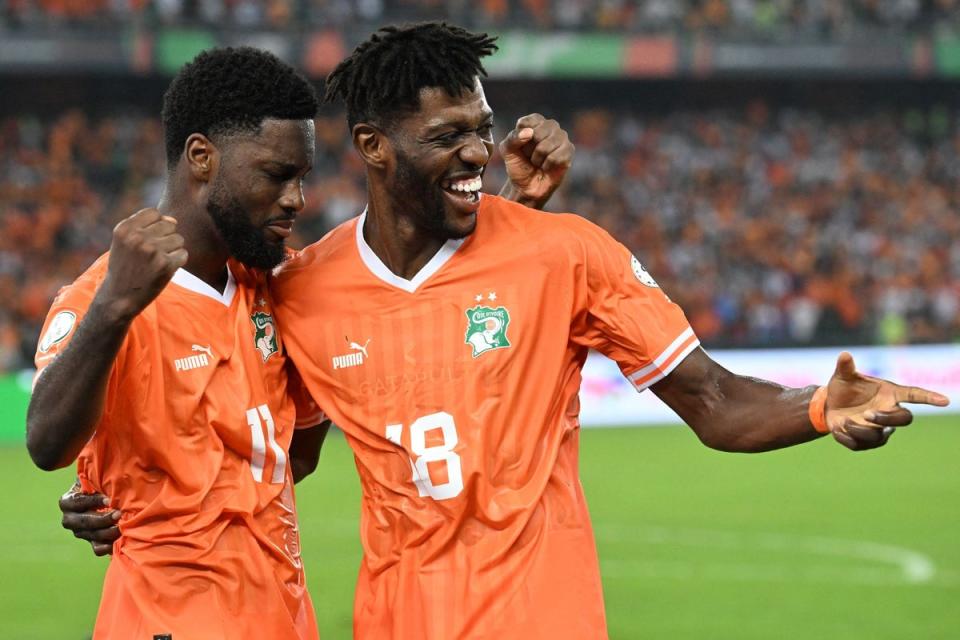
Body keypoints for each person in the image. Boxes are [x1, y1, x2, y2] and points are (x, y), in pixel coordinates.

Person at [60, 23, 948, 640]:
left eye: (481, 130)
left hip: (543, 621)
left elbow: (714, 402)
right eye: (449, 134)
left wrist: (817, 408)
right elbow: (283, 449)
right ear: (373, 146)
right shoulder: (303, 291)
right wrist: (128, 501)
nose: (479, 152)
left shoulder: (566, 254)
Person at [31, 42, 572, 638]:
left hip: (282, 615)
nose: (297, 198)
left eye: (302, 177)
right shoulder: (103, 296)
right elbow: (46, 443)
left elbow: (311, 438)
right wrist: (113, 308)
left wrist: (516, 214)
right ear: (202, 157)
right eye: (276, 175)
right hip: (169, 619)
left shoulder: (276, 286)